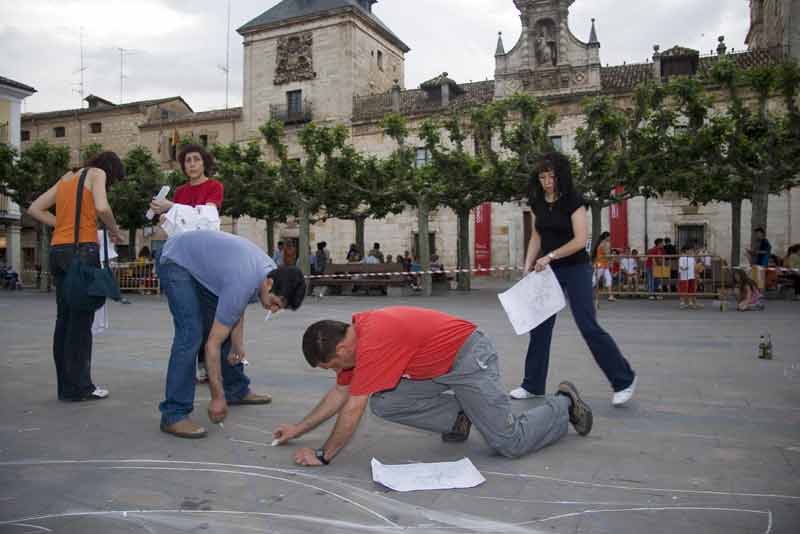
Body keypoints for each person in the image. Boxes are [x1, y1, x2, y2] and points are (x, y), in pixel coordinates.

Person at [272, 307, 593, 466]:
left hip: (468, 358)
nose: (335, 373)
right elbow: (340, 393)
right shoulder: (355, 342)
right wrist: (297, 429)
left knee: (510, 442)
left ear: (340, 351)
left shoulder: (372, 344)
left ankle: (563, 404)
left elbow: (352, 407)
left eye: (331, 367)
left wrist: (324, 455)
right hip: (433, 367)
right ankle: (459, 418)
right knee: (384, 401)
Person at [512, 152, 636, 405]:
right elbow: (537, 235)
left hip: (576, 268)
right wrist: (526, 267)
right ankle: (533, 385)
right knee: (539, 329)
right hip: (549, 272)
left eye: (551, 176)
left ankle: (624, 379)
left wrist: (551, 256)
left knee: (588, 325)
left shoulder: (574, 201)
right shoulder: (537, 201)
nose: (546, 181)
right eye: (542, 177)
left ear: (561, 176)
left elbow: (580, 240)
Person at [157, 230, 307, 438]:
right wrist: (216, 397)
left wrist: (237, 344)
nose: (273, 310)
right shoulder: (245, 279)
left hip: (203, 265)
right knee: (192, 333)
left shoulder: (270, 274)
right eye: (275, 303)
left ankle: (236, 390)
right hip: (176, 260)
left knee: (221, 328)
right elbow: (213, 345)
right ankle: (174, 414)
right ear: (269, 284)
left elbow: (235, 309)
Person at [27, 152, 125, 401]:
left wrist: (61, 224)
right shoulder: (97, 173)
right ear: (110, 169)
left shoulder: (66, 178)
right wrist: (115, 231)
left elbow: (34, 208)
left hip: (58, 252)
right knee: (81, 323)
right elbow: (102, 207)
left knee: (64, 321)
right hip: (82, 251)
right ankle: (82, 387)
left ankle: (66, 388)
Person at [149, 144, 224, 383]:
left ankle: (209, 362)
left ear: (204, 163)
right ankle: (196, 364)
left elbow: (207, 219)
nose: (191, 164)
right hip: (184, 258)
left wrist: (172, 208)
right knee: (190, 317)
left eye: (196, 159)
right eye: (187, 161)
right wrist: (166, 218)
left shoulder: (214, 187)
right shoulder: (180, 192)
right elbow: (179, 227)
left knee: (209, 314)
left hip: (207, 257)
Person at [591, 232, 615, 301]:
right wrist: (612, 256)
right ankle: (586, 294)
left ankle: (610, 296)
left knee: (608, 279)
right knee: (594, 281)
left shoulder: (602, 243)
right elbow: (607, 254)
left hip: (604, 265)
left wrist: (610, 257)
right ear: (606, 237)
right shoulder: (604, 244)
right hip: (600, 264)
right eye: (609, 236)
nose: (610, 238)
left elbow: (606, 255)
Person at [678, 245, 699, 309]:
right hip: (684, 276)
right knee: (683, 289)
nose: (691, 251)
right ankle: (682, 303)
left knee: (691, 290)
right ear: (686, 250)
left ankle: (690, 302)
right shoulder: (682, 258)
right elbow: (681, 266)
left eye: (692, 250)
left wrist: (696, 274)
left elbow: (695, 267)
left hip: (691, 276)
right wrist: (684, 268)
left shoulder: (692, 258)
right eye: (690, 250)